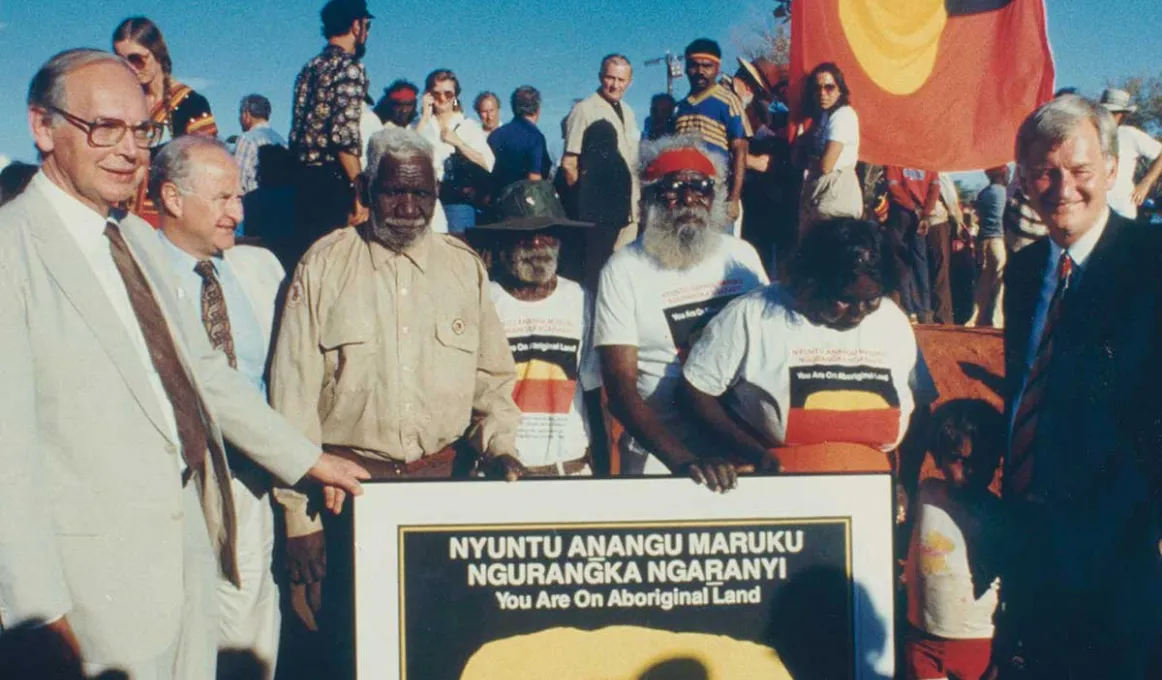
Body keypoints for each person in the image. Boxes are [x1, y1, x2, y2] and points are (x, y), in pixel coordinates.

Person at [0, 48, 366, 679]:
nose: (128, 150)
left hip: (190, 565)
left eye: (141, 130)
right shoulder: (11, 252)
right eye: (103, 128)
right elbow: (8, 456)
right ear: (42, 127)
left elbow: (203, 375)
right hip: (88, 604)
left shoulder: (136, 240)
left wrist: (307, 459)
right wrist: (34, 615)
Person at [269, 126, 521, 676]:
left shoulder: (463, 267)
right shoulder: (323, 265)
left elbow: (493, 381)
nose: (409, 208)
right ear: (365, 188)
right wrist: (299, 521)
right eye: (393, 192)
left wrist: (502, 446)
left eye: (423, 194)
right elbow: (290, 400)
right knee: (354, 653)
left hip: (443, 496)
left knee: (443, 653)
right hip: (350, 499)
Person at [998, 94, 1162, 678]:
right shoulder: (1022, 273)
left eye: (1080, 170)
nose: (1061, 187)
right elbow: (1027, 393)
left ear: (1113, 171)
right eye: (1043, 170)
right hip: (1034, 542)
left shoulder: (1152, 261)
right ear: (1022, 179)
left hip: (1124, 548)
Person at [150, 136, 285, 678]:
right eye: (223, 198)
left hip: (247, 480)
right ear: (172, 198)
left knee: (247, 622)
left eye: (240, 197)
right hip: (171, 481)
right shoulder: (136, 269)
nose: (239, 211)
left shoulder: (260, 269)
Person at [682, 218, 935, 474]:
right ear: (809, 283)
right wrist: (755, 454)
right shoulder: (753, 315)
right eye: (844, 300)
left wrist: (905, 482)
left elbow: (920, 407)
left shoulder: (892, 321)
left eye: (871, 300)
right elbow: (695, 391)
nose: (859, 313)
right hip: (777, 487)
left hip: (873, 490)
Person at [594, 135, 768, 491]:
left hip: (743, 452)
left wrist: (756, 451)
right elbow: (621, 390)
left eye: (700, 188)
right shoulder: (624, 268)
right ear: (650, 199)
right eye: (673, 189)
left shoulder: (742, 257)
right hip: (663, 458)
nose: (689, 200)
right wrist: (686, 462)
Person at [476, 180, 606, 476]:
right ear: (504, 242)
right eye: (524, 236)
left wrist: (604, 477)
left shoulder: (580, 299)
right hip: (502, 473)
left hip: (570, 471)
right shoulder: (485, 301)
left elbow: (594, 392)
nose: (537, 245)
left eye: (546, 235)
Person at [905, 400, 1005, 680]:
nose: (970, 470)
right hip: (923, 642)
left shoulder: (999, 514)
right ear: (937, 458)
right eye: (959, 460)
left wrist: (1000, 658)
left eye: (981, 460)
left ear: (997, 461)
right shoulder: (924, 496)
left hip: (978, 644)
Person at [287, 0, 374, 263]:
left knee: (308, 264)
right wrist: (360, 190)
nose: (367, 33)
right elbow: (343, 136)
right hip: (333, 184)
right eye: (366, 26)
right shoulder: (349, 67)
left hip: (302, 182)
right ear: (356, 25)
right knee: (339, 266)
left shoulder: (309, 68)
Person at [113, 16, 218, 227]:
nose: (131, 68)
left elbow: (205, 170)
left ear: (157, 53)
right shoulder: (123, 104)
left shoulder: (190, 104)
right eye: (122, 61)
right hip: (123, 219)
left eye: (137, 58)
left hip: (168, 221)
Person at [562, 54, 642, 251]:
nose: (615, 85)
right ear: (600, 77)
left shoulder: (629, 112)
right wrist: (585, 207)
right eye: (610, 78)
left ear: (630, 83)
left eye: (621, 80)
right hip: (601, 216)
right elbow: (569, 164)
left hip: (631, 211)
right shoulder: (584, 110)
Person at [673, 39, 749, 224]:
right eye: (694, 66)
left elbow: (741, 149)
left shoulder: (729, 101)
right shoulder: (679, 108)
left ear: (717, 67)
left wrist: (734, 198)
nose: (700, 71)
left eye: (707, 66)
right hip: (684, 193)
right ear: (685, 68)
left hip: (716, 193)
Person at [416, 68, 495, 232]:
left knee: (458, 249)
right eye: (436, 94)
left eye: (448, 93)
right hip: (424, 199)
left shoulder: (468, 126)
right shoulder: (421, 124)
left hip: (457, 203)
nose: (442, 98)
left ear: (455, 96)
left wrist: (459, 143)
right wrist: (424, 117)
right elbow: (407, 150)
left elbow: (488, 163)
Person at [795, 62, 863, 233]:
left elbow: (827, 165)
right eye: (817, 88)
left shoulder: (843, 115)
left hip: (836, 198)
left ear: (840, 90)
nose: (822, 93)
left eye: (829, 87)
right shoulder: (821, 120)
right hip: (821, 198)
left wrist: (810, 159)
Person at [885, 165, 941, 323]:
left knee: (901, 261)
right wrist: (926, 212)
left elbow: (893, 186)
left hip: (902, 213)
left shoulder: (895, 158)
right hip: (921, 214)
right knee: (920, 261)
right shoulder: (928, 160)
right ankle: (924, 309)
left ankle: (909, 310)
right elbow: (935, 187)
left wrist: (913, 208)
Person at [1098, 88, 1162, 221]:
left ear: (1123, 115)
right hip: (1092, 209)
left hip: (1121, 209)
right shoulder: (1088, 134)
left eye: (1114, 112)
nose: (1109, 116)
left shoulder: (1129, 134)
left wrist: (1146, 182)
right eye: (1106, 111)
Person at [487, 86, 551, 201]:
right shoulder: (535, 137)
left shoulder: (495, 135)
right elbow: (534, 177)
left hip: (496, 201)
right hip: (524, 204)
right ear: (538, 109)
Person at [966, 165, 1009, 328]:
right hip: (999, 240)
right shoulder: (1004, 193)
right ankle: (996, 319)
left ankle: (975, 317)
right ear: (1001, 174)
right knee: (999, 281)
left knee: (983, 281)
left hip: (983, 240)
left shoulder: (984, 193)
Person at [234, 94, 285, 196]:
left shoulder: (247, 139)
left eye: (241, 114)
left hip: (254, 205)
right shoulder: (282, 141)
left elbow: (238, 179)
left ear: (247, 115)